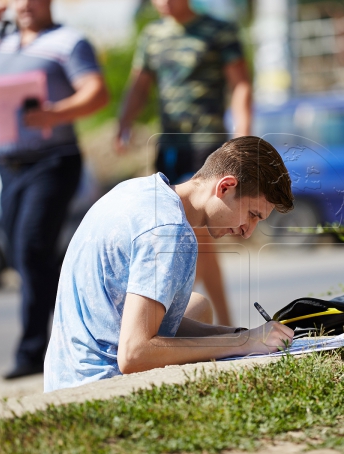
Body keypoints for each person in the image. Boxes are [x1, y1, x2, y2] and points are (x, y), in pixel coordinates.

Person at [43, 136, 295, 392]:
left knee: (198, 305)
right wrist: (244, 343)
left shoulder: (138, 190)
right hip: (97, 386)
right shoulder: (171, 232)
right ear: (225, 187)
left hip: (62, 377)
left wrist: (240, 334)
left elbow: (134, 317)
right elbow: (134, 354)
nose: (248, 232)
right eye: (252, 215)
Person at [0, 0, 109, 379]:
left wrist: (54, 114)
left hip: (53, 161)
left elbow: (96, 93)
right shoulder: (0, 44)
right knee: (22, 257)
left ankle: (33, 352)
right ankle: (90, 315)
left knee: (32, 249)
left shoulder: (68, 42)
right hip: (9, 167)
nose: (26, 5)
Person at [116, 0, 253, 327]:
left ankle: (205, 321)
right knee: (187, 234)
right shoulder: (151, 35)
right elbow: (139, 84)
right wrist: (123, 122)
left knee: (195, 234)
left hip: (207, 145)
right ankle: (213, 321)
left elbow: (241, 84)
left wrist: (243, 134)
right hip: (170, 147)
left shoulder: (218, 30)